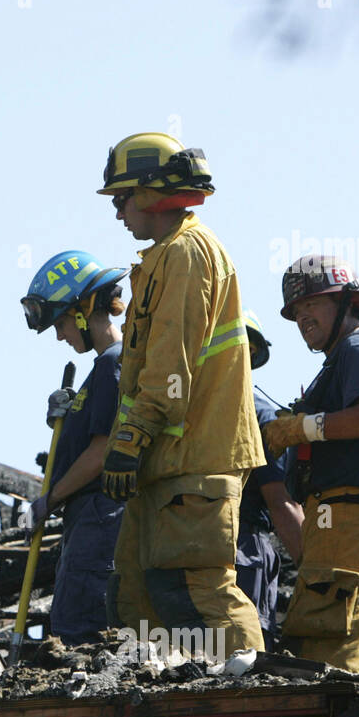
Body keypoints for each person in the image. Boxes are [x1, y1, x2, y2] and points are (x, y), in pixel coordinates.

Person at [96, 131, 265, 660]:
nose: (119, 212)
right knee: (138, 602)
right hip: (166, 465)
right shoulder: (165, 257)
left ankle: (252, 696)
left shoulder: (186, 256)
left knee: (195, 590)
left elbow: (170, 369)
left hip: (194, 461)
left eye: (122, 198)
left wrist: (127, 438)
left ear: (149, 192)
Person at [265, 255, 359, 677]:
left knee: (323, 647)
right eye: (296, 311)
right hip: (345, 516)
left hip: (352, 515)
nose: (302, 317)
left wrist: (300, 428)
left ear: (350, 304)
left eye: (314, 303)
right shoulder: (340, 359)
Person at [19, 250, 128, 642]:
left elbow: (102, 453)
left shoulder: (112, 364)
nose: (60, 335)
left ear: (83, 312)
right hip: (91, 518)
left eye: (62, 323)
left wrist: (48, 500)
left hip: (101, 517)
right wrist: (66, 422)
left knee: (79, 634)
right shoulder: (102, 368)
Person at [236, 311, 304, 650]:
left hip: (242, 551)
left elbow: (281, 504)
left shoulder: (259, 416)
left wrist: (312, 573)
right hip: (210, 553)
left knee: (242, 658)